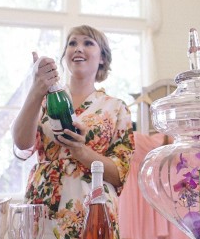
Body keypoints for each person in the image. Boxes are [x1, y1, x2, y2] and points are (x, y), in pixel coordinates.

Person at [12, 25, 135, 239]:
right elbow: (22, 144)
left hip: (93, 208)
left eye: (88, 43)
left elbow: (119, 175)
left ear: (103, 58)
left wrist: (81, 151)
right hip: (44, 206)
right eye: (72, 43)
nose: (78, 48)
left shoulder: (116, 108)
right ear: (64, 57)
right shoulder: (44, 100)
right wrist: (36, 90)